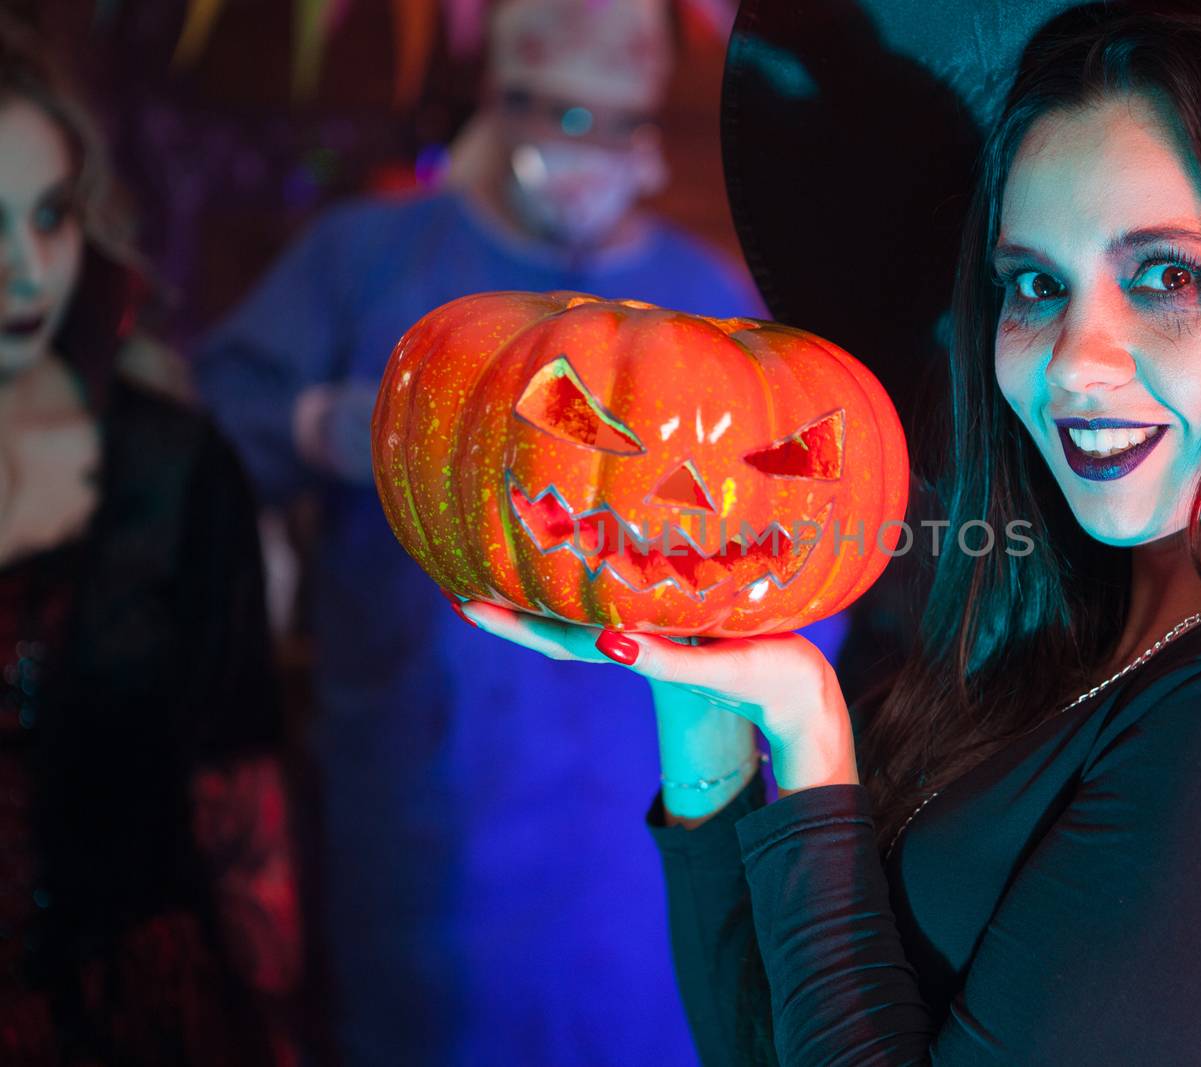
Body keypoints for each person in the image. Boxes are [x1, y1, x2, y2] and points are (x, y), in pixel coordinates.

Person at [461, 2, 1201, 1064]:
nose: (1073, 362)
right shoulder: (1078, 638)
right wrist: (706, 701)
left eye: (1166, 275)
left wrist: (812, 736)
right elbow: (762, 1041)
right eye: (1036, 285)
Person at [193, 1, 845, 1064]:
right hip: (425, 796)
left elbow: (804, 543)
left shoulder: (709, 304)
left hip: (643, 810)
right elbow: (200, 432)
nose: (588, 152)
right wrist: (312, 426)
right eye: (561, 116)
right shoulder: (369, 262)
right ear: (497, 101)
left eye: (618, 125)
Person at [0, 20, 300, 1067]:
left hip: (128, 1016)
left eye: (47, 217)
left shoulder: (172, 467)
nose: (24, 265)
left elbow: (238, 795)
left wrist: (274, 1025)